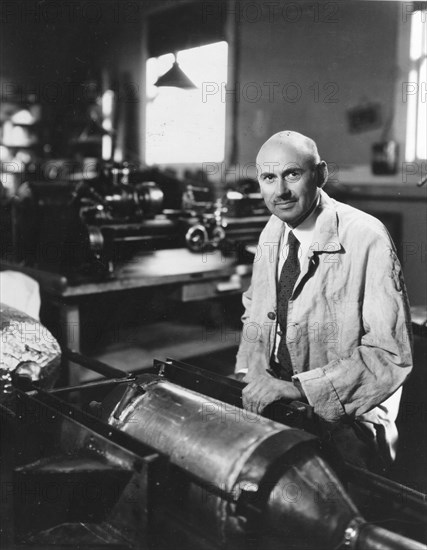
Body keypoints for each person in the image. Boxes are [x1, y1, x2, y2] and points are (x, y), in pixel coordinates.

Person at [234, 130, 413, 470]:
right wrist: (247, 373)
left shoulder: (366, 237)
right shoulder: (273, 230)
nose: (280, 191)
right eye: (269, 178)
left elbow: (390, 355)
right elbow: (256, 310)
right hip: (278, 411)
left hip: (346, 424)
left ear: (320, 174)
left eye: (292, 174)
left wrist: (301, 390)